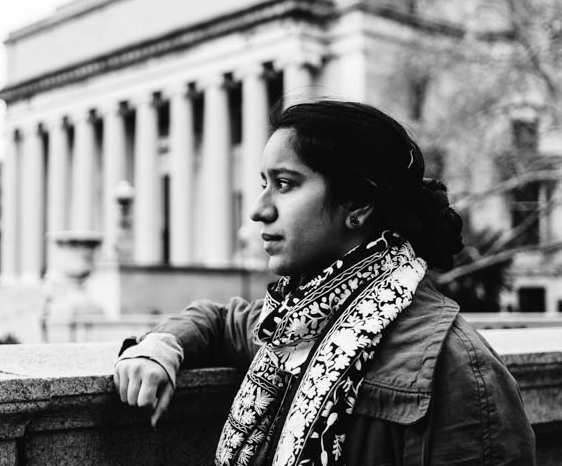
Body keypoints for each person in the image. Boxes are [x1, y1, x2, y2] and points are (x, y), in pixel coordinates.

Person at [114, 100, 535, 465]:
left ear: (359, 204)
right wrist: (160, 347)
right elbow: (219, 319)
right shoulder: (297, 325)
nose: (259, 210)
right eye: (264, 184)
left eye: (284, 184)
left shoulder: (459, 370)